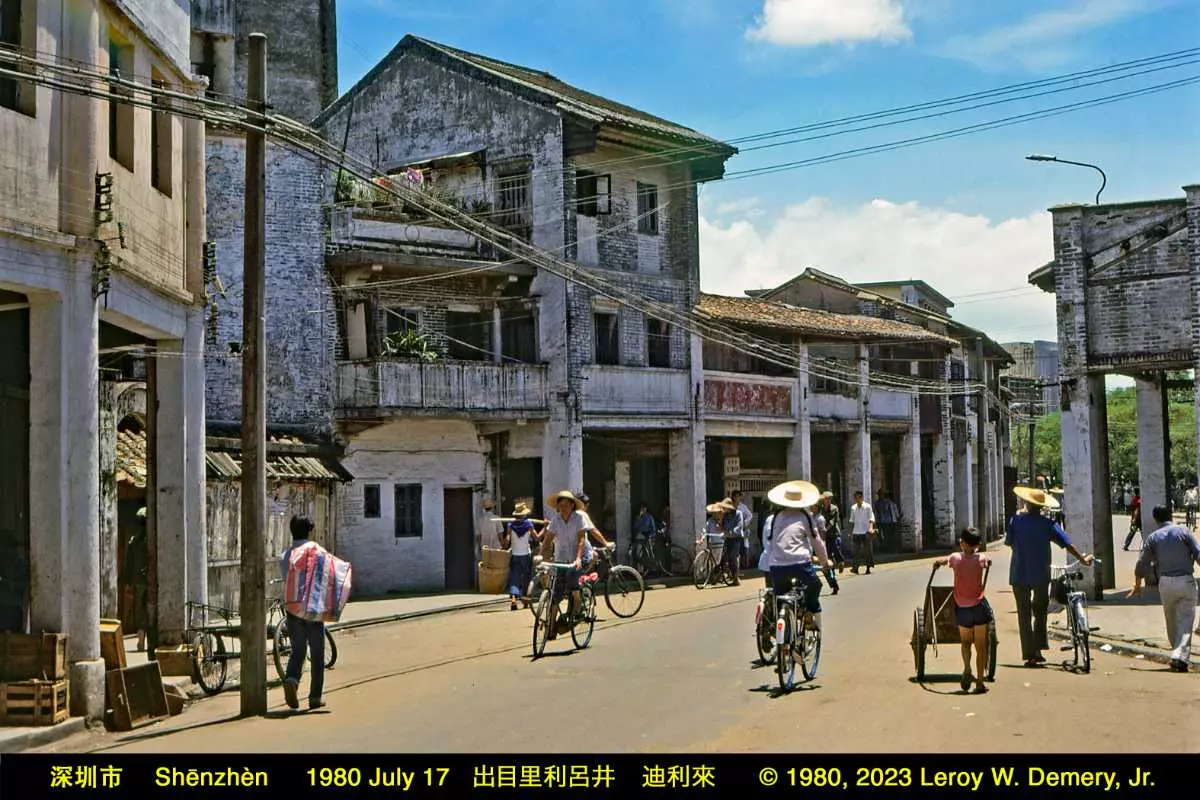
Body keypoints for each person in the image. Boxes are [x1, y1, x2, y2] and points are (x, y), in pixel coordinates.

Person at [1006, 487, 1094, 668]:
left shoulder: (1015, 521)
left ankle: (1030, 654)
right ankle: (1038, 649)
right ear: (1041, 507)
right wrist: (1083, 560)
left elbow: (1010, 543)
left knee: (1024, 615)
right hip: (1040, 574)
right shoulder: (1048, 524)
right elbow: (1068, 544)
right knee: (1040, 612)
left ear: (1027, 505)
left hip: (1019, 573)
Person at [1129, 505, 1200, 673]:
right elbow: (1198, 554)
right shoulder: (1184, 532)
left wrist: (1138, 584)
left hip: (1165, 583)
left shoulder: (1153, 538)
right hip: (1185, 581)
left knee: (1171, 620)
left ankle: (1177, 654)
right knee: (1186, 620)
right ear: (1171, 515)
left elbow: (1141, 564)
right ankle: (1179, 656)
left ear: (1156, 519)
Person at [763, 481, 831, 631]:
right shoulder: (805, 517)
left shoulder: (775, 517)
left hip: (776, 567)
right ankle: (807, 612)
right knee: (815, 585)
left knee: (780, 596)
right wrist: (825, 563)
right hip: (800, 564)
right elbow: (817, 542)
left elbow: (771, 542)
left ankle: (777, 627)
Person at [280, 517, 331, 710]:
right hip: (313, 607)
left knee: (298, 651)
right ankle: (315, 698)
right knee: (317, 654)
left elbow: (285, 577)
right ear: (309, 531)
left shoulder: (285, 555)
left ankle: (291, 679)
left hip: (292, 608)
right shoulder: (318, 551)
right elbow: (327, 576)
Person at [933, 528, 992, 694]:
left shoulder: (956, 559)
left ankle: (967, 667)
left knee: (966, 642)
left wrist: (938, 562)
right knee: (981, 646)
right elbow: (986, 562)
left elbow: (945, 561)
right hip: (979, 607)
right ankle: (979, 683)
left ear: (962, 543)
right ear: (978, 544)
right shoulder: (981, 558)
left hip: (963, 608)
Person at [541, 490, 595, 639]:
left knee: (572, 577)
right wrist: (541, 556)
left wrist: (578, 559)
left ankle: (577, 605)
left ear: (572, 506)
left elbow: (581, 541)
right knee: (555, 594)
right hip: (561, 559)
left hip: (580, 558)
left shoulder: (579, 519)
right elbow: (547, 540)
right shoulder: (555, 520)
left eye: (566, 505)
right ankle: (550, 628)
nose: (563, 508)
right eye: (560, 506)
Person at [500, 502, 540, 611]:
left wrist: (504, 546)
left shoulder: (510, 525)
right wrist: (545, 528)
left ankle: (513, 599)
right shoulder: (529, 525)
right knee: (526, 577)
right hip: (526, 555)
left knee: (514, 577)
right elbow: (536, 538)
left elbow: (507, 539)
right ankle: (526, 600)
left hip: (515, 555)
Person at [124, 507, 151, 652]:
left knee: (142, 610)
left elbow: (128, 565)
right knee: (149, 610)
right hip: (149, 581)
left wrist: (129, 581)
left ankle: (141, 639)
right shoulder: (150, 541)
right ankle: (143, 639)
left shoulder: (133, 541)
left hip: (139, 581)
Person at [706, 499, 741, 585]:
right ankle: (718, 575)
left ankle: (735, 578)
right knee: (723, 558)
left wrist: (729, 533)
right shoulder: (724, 515)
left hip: (735, 538)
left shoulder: (738, 514)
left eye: (725, 507)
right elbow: (721, 526)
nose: (724, 509)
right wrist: (720, 525)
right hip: (726, 537)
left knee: (732, 557)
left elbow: (739, 528)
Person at [811, 502, 839, 596]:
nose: (811, 508)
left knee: (825, 566)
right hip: (811, 546)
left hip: (819, 545)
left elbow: (823, 533)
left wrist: (822, 546)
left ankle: (834, 584)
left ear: (817, 507)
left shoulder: (820, 518)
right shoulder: (811, 517)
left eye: (813, 506)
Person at [848, 490, 876, 575]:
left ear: (862, 498)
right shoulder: (853, 508)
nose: (857, 499)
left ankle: (868, 568)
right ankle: (855, 568)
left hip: (866, 532)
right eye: (856, 498)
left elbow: (871, 518)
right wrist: (850, 532)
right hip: (856, 532)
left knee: (868, 551)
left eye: (859, 497)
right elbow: (851, 521)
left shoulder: (867, 507)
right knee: (856, 552)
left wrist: (871, 528)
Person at [818, 491, 846, 573]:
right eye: (825, 499)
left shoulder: (834, 508)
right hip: (824, 534)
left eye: (828, 499)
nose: (827, 501)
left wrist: (825, 529)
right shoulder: (821, 508)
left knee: (836, 548)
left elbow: (833, 521)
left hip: (833, 533)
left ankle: (840, 562)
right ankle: (831, 568)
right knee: (827, 551)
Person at [731, 490, 754, 569]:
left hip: (742, 531)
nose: (739, 498)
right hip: (732, 532)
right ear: (734, 497)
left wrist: (745, 523)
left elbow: (750, 515)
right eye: (737, 496)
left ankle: (743, 565)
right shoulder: (730, 506)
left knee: (744, 549)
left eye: (739, 496)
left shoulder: (743, 506)